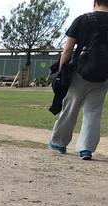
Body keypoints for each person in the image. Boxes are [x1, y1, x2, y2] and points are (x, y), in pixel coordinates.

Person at [49, 0, 108, 161]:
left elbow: (68, 48)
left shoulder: (83, 19)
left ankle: (59, 143)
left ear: (95, 2)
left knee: (70, 107)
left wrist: (61, 69)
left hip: (80, 73)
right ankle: (86, 149)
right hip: (103, 75)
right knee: (93, 112)